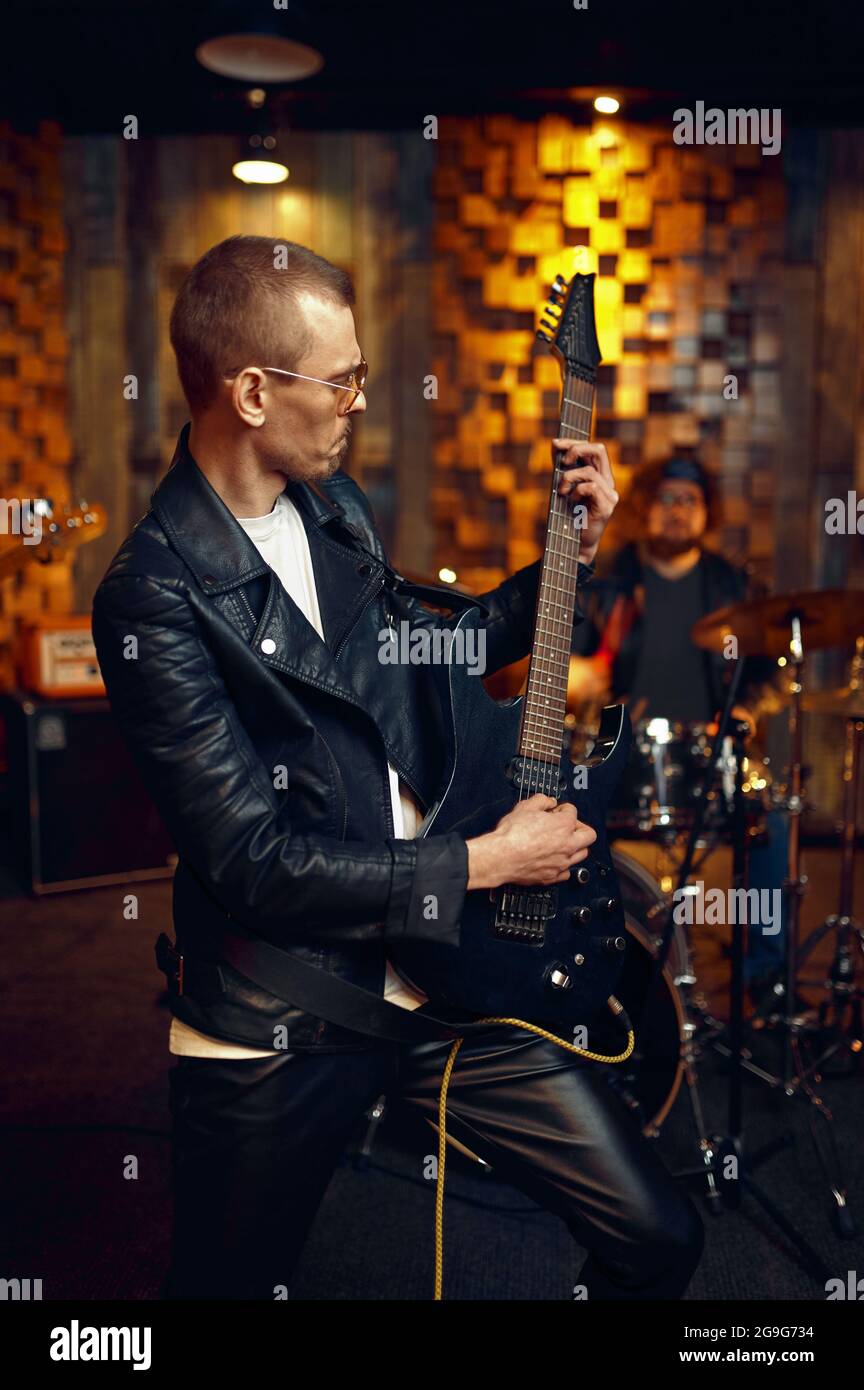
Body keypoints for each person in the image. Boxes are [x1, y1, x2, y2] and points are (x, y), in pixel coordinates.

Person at [91, 235, 703, 1301]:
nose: (359, 401)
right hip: (279, 1016)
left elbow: (432, 655)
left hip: (445, 975)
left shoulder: (333, 507)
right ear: (247, 391)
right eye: (342, 380)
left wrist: (569, 550)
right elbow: (256, 863)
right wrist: (486, 861)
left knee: (660, 1236)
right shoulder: (153, 594)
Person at [569, 456, 787, 1001]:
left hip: (708, 754)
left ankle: (763, 979)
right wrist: (585, 680)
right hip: (622, 752)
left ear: (706, 513)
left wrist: (746, 712)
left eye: (690, 501)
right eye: (666, 499)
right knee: (575, 823)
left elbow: (769, 673)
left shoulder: (730, 584)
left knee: (772, 824)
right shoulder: (609, 580)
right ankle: (599, 967)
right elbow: (565, 665)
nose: (677, 512)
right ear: (645, 508)